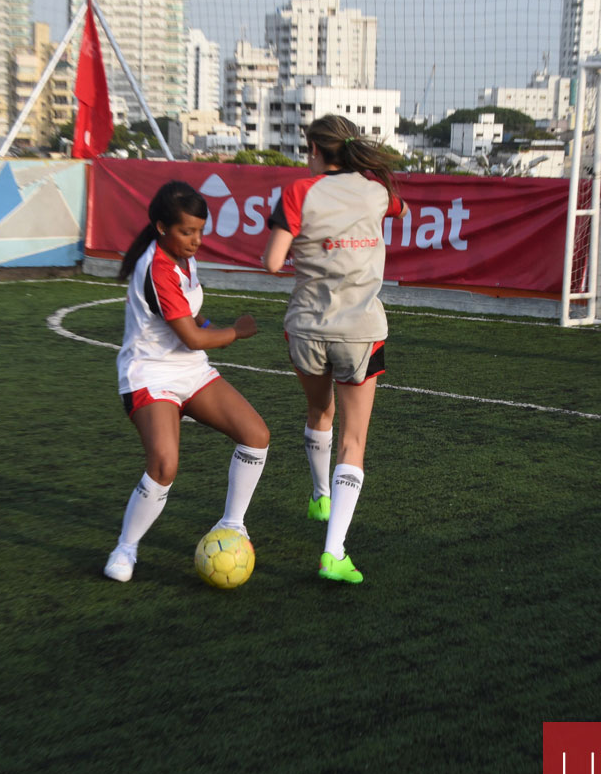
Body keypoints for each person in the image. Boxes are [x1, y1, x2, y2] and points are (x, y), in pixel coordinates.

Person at [262, 115, 408, 585]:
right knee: (354, 441)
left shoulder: (298, 192)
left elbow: (272, 263)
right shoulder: (377, 192)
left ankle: (320, 494)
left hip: (305, 327)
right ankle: (334, 553)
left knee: (318, 412)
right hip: (361, 330)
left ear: (314, 150)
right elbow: (400, 209)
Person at [104, 181, 270, 582]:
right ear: (162, 227)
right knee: (164, 464)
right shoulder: (157, 267)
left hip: (189, 370)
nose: (196, 240)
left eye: (200, 230)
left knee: (256, 435)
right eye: (186, 232)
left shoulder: (182, 257)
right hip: (148, 374)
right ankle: (126, 548)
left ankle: (232, 525)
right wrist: (236, 331)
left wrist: (209, 324)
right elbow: (193, 338)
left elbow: (192, 318)